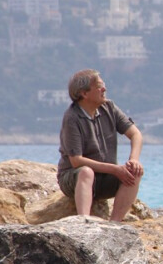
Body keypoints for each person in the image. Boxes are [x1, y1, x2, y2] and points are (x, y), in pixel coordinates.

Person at [57, 69, 144, 221]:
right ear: (84, 93)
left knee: (134, 172)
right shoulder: (72, 117)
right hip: (75, 179)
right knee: (86, 172)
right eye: (99, 86)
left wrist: (134, 159)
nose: (104, 89)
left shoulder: (109, 108)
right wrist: (115, 169)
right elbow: (76, 161)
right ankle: (84, 222)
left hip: (105, 179)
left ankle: (114, 224)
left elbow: (136, 134)